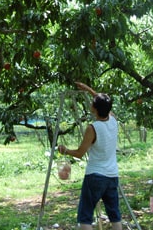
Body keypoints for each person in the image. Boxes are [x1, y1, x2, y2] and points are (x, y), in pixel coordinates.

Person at [57, 81, 122, 230]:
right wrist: (88, 89)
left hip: (96, 176)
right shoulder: (113, 121)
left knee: (85, 217)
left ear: (94, 108)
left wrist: (65, 150)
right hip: (112, 175)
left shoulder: (93, 128)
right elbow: (105, 104)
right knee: (115, 215)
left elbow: (80, 153)